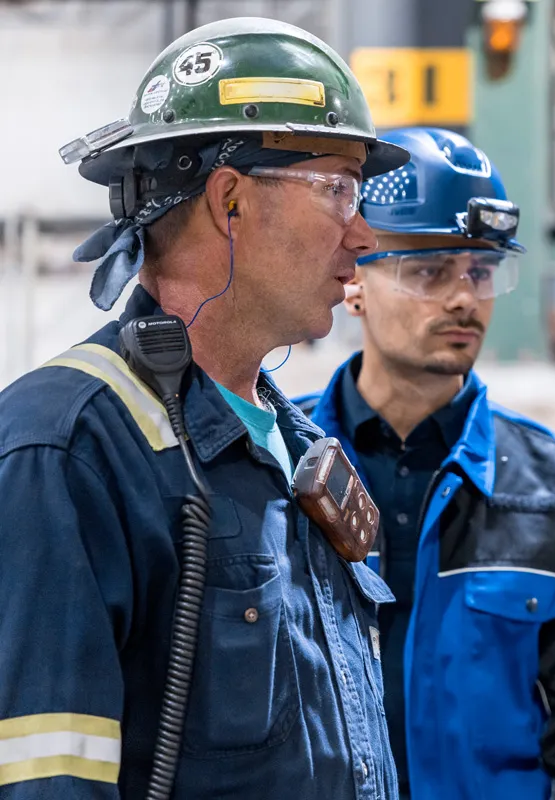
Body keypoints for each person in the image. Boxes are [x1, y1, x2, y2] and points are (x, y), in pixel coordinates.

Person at [0, 18, 411, 799]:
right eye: (339, 190)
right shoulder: (68, 447)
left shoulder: (298, 447)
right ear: (229, 201)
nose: (362, 235)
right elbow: (45, 777)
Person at [296, 127, 555, 799]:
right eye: (429, 271)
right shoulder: (276, 462)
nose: (462, 298)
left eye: (481, 271)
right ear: (353, 281)